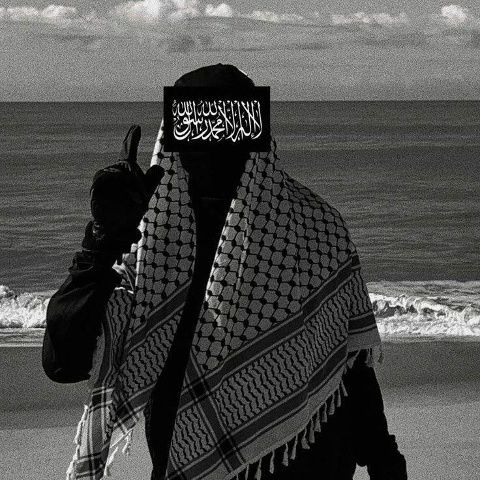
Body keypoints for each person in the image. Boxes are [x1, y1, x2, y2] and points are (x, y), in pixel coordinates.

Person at [43, 64, 407, 480]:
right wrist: (103, 241)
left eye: (226, 131)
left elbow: (352, 368)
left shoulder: (316, 226)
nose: (212, 150)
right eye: (198, 134)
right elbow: (64, 361)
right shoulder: (157, 246)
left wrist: (386, 462)